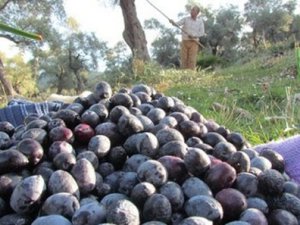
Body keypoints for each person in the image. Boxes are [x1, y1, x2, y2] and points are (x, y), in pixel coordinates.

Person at [169, 5, 205, 70]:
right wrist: (173, 22)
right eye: (191, 10)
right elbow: (177, 24)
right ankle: (183, 74)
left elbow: (202, 33)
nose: (191, 12)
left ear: (197, 13)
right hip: (185, 41)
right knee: (184, 59)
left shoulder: (200, 21)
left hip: (194, 42)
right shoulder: (186, 19)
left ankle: (191, 75)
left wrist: (194, 36)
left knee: (192, 59)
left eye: (193, 11)